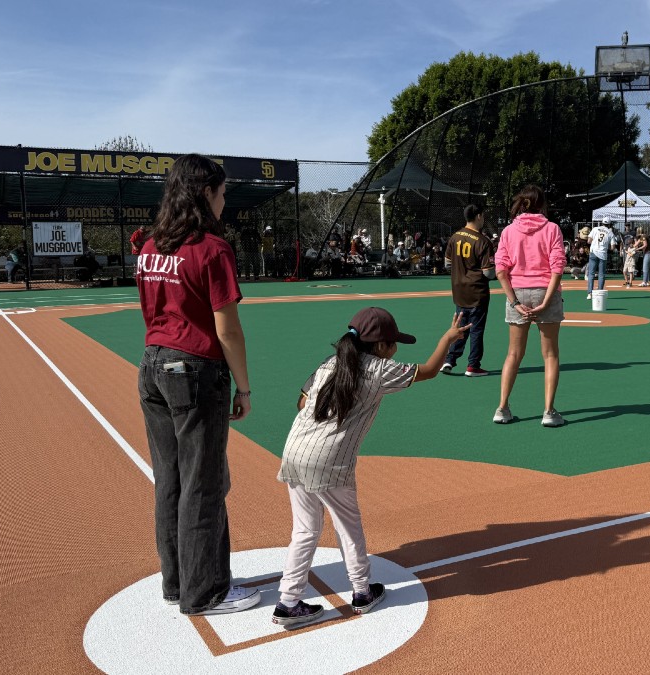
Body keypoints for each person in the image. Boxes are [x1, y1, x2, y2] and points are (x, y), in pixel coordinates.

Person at [272, 307, 468, 627]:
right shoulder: (379, 370)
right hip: (331, 461)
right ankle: (362, 593)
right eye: (394, 343)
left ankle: (288, 601)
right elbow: (431, 370)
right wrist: (447, 338)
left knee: (305, 530)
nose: (396, 349)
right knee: (349, 528)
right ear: (380, 346)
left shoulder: (331, 362)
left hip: (295, 450)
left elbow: (302, 402)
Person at [136, 153, 258, 617]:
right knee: (204, 484)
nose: (225, 201)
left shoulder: (151, 246)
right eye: (223, 192)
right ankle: (204, 591)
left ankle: (179, 581)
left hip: (152, 365)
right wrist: (243, 389)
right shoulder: (211, 248)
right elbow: (227, 329)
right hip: (194, 369)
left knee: (170, 479)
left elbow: (152, 312)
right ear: (207, 193)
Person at [494, 184, 567, 427]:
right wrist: (547, 299)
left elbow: (501, 270)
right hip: (546, 291)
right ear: (541, 204)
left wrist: (513, 301)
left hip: (518, 293)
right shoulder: (552, 229)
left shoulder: (508, 231)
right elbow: (557, 266)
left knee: (513, 354)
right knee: (550, 355)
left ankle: (502, 407)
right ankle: (549, 411)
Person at [442, 204, 494, 377]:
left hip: (458, 290)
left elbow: (447, 263)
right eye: (483, 216)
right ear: (478, 216)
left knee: (460, 327)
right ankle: (473, 366)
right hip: (477, 291)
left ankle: (449, 359)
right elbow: (488, 272)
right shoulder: (483, 241)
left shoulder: (454, 237)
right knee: (476, 330)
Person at [585, 217, 615, 298]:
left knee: (591, 273)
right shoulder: (610, 233)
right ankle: (599, 293)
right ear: (609, 224)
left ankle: (589, 293)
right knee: (601, 274)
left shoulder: (595, 229)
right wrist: (606, 246)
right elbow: (612, 247)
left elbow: (589, 241)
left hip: (593, 252)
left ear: (602, 223)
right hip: (602, 254)